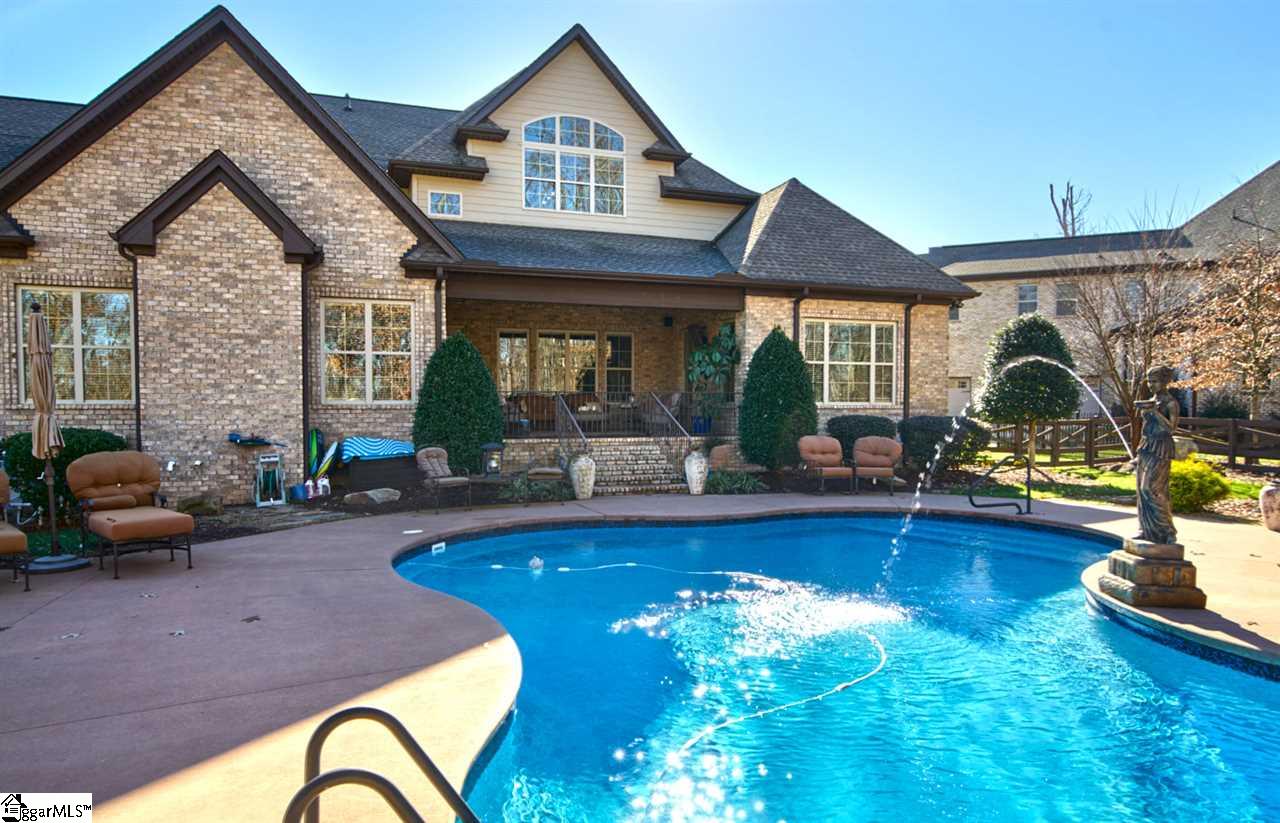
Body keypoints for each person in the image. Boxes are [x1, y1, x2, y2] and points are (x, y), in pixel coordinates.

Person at [1134, 366, 1179, 544]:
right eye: (1149, 381)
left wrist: (1154, 413)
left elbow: (1171, 428)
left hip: (1161, 447)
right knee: (1141, 491)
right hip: (1146, 446)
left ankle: (1168, 531)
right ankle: (1146, 529)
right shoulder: (1151, 401)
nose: (1151, 385)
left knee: (1153, 489)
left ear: (1165, 382)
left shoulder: (1170, 403)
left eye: (1155, 381)